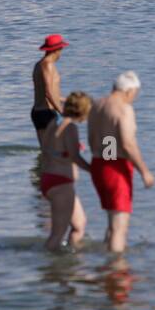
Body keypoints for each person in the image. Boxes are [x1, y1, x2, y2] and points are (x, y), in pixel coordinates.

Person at [87, 71, 154, 254]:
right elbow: (127, 143)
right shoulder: (124, 109)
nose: (134, 98)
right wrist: (144, 171)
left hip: (99, 164)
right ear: (129, 91)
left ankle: (106, 267)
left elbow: (95, 139)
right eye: (135, 94)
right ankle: (116, 272)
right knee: (119, 228)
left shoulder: (98, 104)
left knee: (111, 223)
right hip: (115, 169)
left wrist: (108, 158)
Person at [39, 91, 93, 252]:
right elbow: (75, 158)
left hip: (49, 180)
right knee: (57, 234)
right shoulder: (70, 128)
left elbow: (47, 152)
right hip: (61, 183)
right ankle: (49, 268)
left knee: (79, 224)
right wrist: (94, 171)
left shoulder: (53, 124)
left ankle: (70, 262)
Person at [32, 34, 68, 143]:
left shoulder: (38, 65)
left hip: (37, 111)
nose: (61, 53)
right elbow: (48, 92)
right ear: (57, 50)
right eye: (61, 49)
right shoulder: (48, 65)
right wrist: (60, 110)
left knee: (45, 151)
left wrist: (67, 100)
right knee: (55, 150)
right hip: (47, 112)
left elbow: (43, 92)